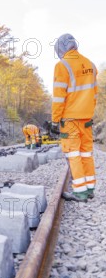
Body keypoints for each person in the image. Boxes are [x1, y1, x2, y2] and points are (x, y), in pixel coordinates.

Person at [52, 34, 98, 202]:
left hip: (70, 120)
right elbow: (94, 95)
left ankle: (79, 192)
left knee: (74, 154)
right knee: (86, 154)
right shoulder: (91, 65)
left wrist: (55, 120)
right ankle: (90, 188)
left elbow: (58, 97)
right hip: (86, 119)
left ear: (61, 49)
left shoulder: (62, 65)